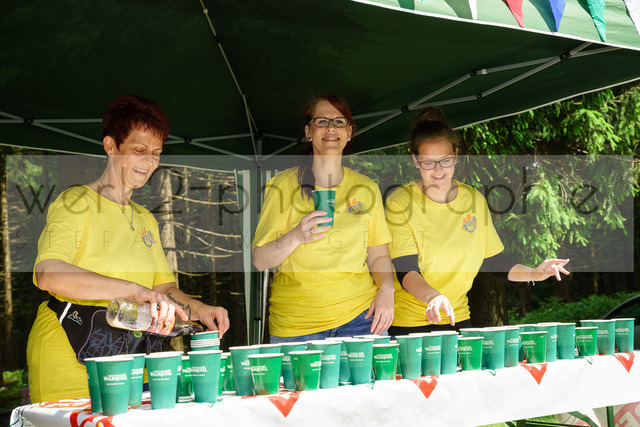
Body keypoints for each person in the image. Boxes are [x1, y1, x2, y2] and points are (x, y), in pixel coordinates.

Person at [26, 95, 230, 403]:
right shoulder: (75, 202)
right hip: (68, 359)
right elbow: (48, 274)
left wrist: (199, 310)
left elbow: (162, 289)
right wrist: (133, 290)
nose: (149, 161)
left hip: (132, 359)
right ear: (110, 146)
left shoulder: (145, 218)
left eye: (156, 153)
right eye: (138, 150)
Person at [385, 107, 570, 336]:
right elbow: (406, 269)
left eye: (445, 161)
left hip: (457, 317)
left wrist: (534, 273)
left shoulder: (473, 200)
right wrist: (433, 296)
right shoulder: (400, 201)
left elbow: (492, 260)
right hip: (408, 322)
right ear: (415, 160)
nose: (438, 170)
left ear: (456, 155)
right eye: (428, 163)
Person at [252, 94, 395, 342]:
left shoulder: (366, 188)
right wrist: (296, 236)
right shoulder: (282, 185)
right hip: (297, 326)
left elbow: (378, 255)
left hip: (361, 319)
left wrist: (387, 289)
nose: (331, 128)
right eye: (322, 122)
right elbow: (260, 260)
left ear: (349, 132)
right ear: (308, 132)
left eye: (339, 122)